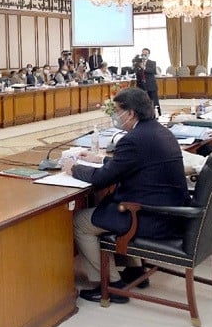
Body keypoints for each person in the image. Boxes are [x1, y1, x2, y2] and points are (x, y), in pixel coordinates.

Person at [62, 87, 189, 304]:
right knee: (112, 207)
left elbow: (102, 179)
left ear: (130, 113)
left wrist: (73, 168)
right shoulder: (160, 131)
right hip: (170, 211)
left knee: (80, 221)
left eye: (118, 111)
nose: (115, 116)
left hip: (150, 217)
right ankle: (135, 270)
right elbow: (134, 164)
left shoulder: (133, 139)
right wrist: (99, 159)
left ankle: (111, 284)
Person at [135, 47, 161, 115]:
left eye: (145, 53)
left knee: (154, 101)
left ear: (148, 54)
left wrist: (144, 67)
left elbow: (152, 71)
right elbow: (136, 73)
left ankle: (157, 114)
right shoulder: (138, 63)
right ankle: (144, 115)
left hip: (151, 85)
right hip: (141, 85)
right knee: (142, 102)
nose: (144, 55)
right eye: (143, 53)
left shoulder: (152, 62)